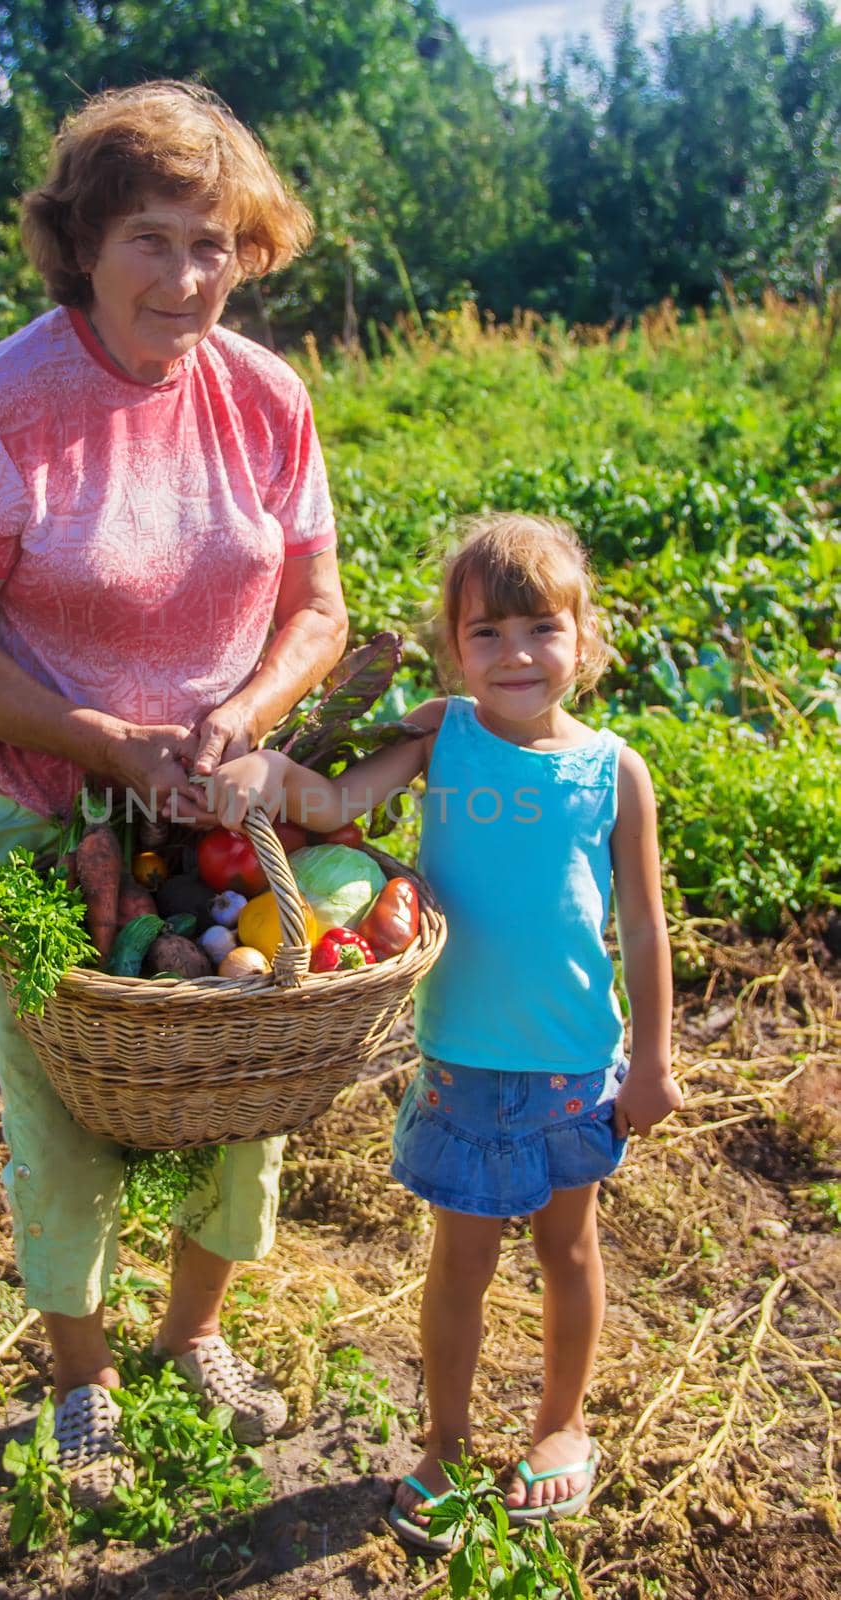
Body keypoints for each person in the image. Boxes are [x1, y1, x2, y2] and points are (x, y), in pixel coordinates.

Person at [0, 80, 348, 1507]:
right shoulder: (6, 406)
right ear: (81, 242)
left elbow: (317, 610)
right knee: (62, 1097)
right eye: (151, 239)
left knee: (240, 1067)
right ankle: (81, 1374)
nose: (187, 276)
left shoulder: (264, 396)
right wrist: (104, 742)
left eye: (215, 243)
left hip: (207, 805)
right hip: (31, 805)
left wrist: (237, 720)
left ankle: (195, 1332)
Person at [191, 513, 683, 1548]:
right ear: (452, 648)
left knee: (568, 1246)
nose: (514, 655)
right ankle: (444, 1444)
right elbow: (337, 803)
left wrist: (651, 1060)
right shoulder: (439, 736)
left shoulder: (612, 769)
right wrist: (273, 779)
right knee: (458, 1260)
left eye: (540, 630)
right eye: (485, 633)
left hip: (572, 1061)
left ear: (582, 641)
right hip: (461, 1056)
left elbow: (640, 924)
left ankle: (558, 1426)